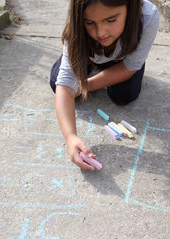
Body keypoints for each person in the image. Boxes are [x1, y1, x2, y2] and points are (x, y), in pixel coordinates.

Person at [50, 0, 159, 170]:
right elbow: (64, 84)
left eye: (111, 20)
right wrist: (71, 137)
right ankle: (75, 57)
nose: (100, 32)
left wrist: (86, 86)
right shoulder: (78, 21)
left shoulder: (148, 16)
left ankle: (98, 73)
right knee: (56, 83)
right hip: (87, 54)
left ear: (129, 8)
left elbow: (129, 67)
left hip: (122, 60)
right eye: (89, 22)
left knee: (124, 95)